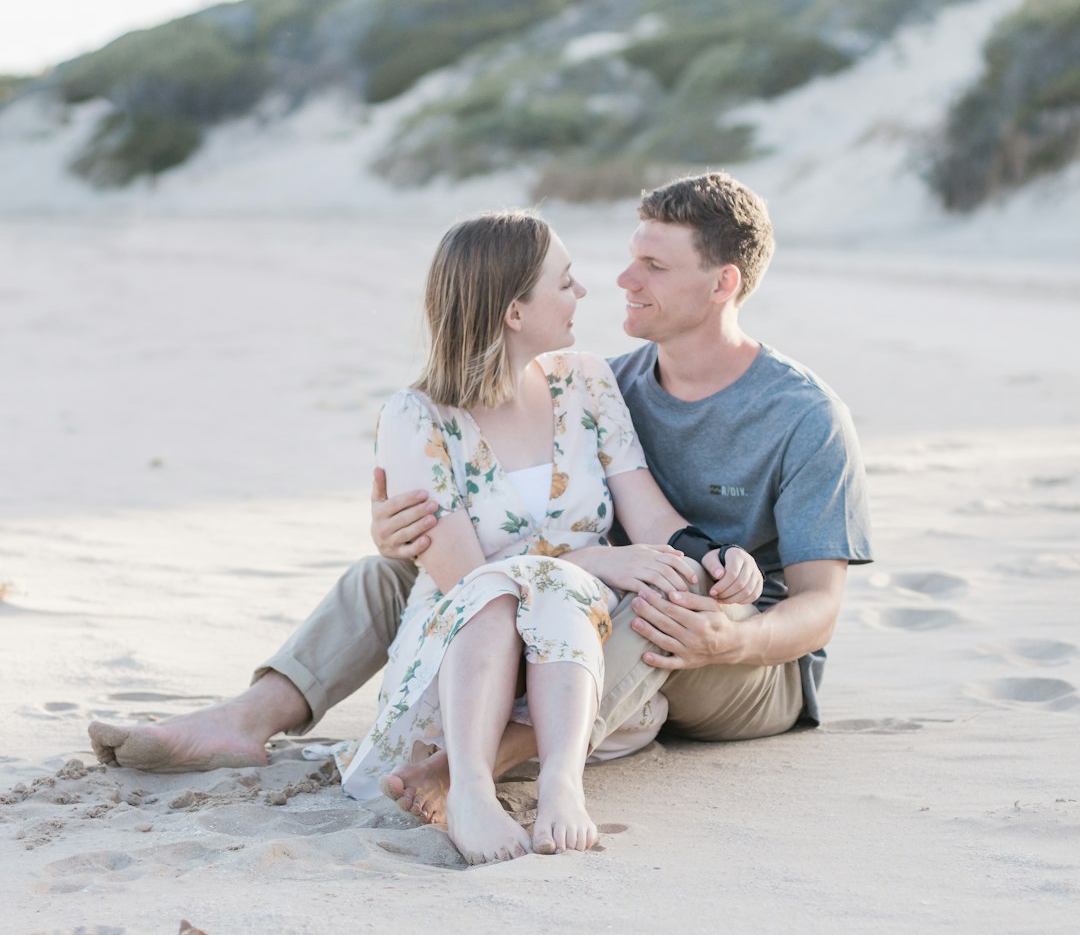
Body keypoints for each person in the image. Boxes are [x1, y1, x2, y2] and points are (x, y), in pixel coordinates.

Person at [90, 171, 872, 845]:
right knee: (384, 575)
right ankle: (246, 719)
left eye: (652, 266)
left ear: (722, 283)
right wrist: (407, 533)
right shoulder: (611, 378)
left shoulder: (800, 415)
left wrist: (728, 640)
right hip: (594, 592)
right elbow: (489, 521)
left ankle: (478, 761)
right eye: (628, 258)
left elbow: (819, 610)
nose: (620, 281)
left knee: (660, 597)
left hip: (741, 654)